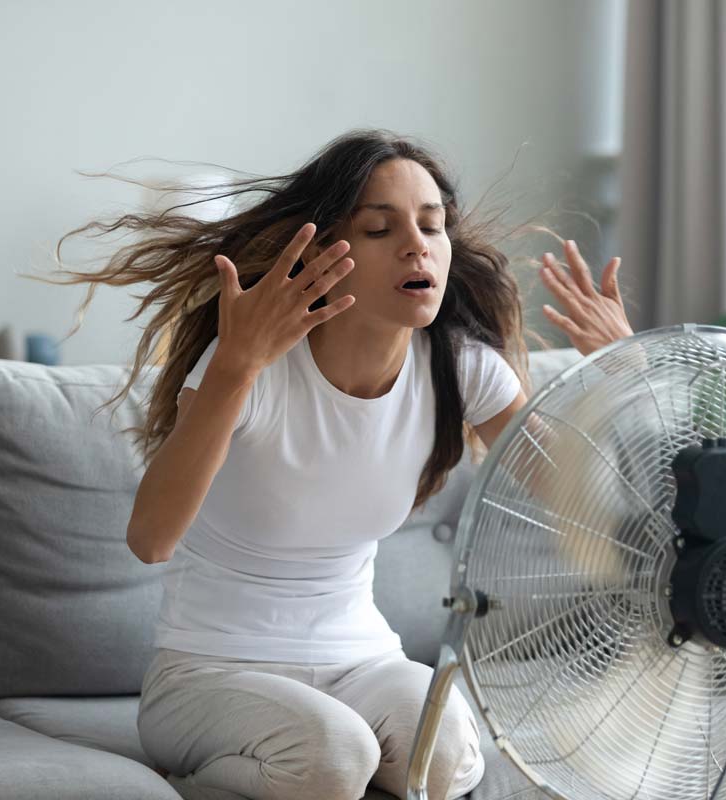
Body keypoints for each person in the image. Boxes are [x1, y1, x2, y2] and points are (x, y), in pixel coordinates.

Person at [50, 129, 633, 800]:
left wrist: (625, 375)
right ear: (326, 251)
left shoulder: (462, 370)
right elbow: (150, 539)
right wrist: (236, 367)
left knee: (442, 757)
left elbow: (587, 512)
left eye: (433, 225)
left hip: (364, 660)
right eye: (381, 229)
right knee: (335, 757)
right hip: (211, 673)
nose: (418, 245)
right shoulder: (250, 367)